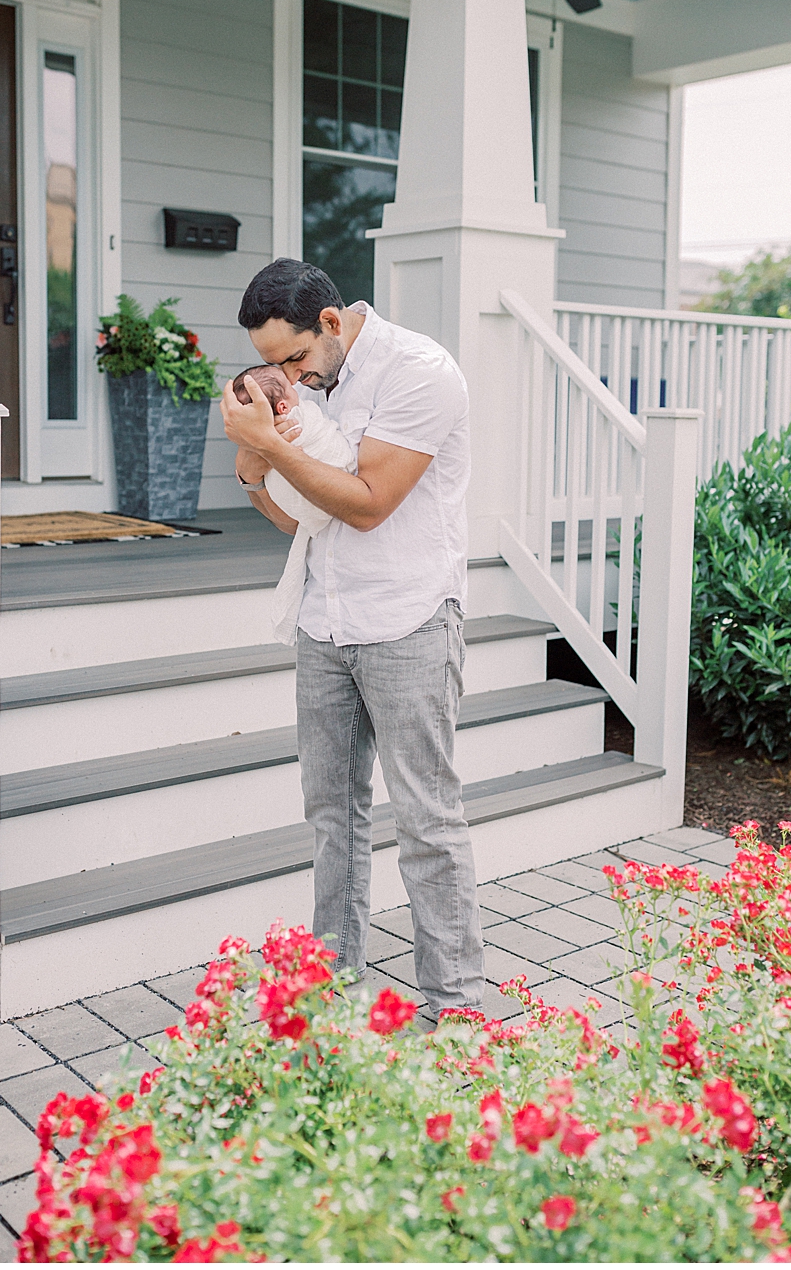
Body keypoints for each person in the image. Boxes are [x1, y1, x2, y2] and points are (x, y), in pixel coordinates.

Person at [220, 258, 484, 1017]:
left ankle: (458, 1007)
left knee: (427, 820)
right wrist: (251, 467)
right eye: (270, 364)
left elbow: (368, 505)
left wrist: (271, 449)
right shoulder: (304, 389)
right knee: (332, 819)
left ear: (330, 323)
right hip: (323, 620)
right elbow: (298, 519)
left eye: (294, 358)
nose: (287, 379)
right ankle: (331, 990)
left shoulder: (420, 372)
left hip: (407, 619)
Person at [232, 363, 356, 644]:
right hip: (318, 613)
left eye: (295, 356)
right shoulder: (299, 409)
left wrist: (264, 455)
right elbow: (290, 522)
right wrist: (253, 475)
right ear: (283, 407)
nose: (294, 379)